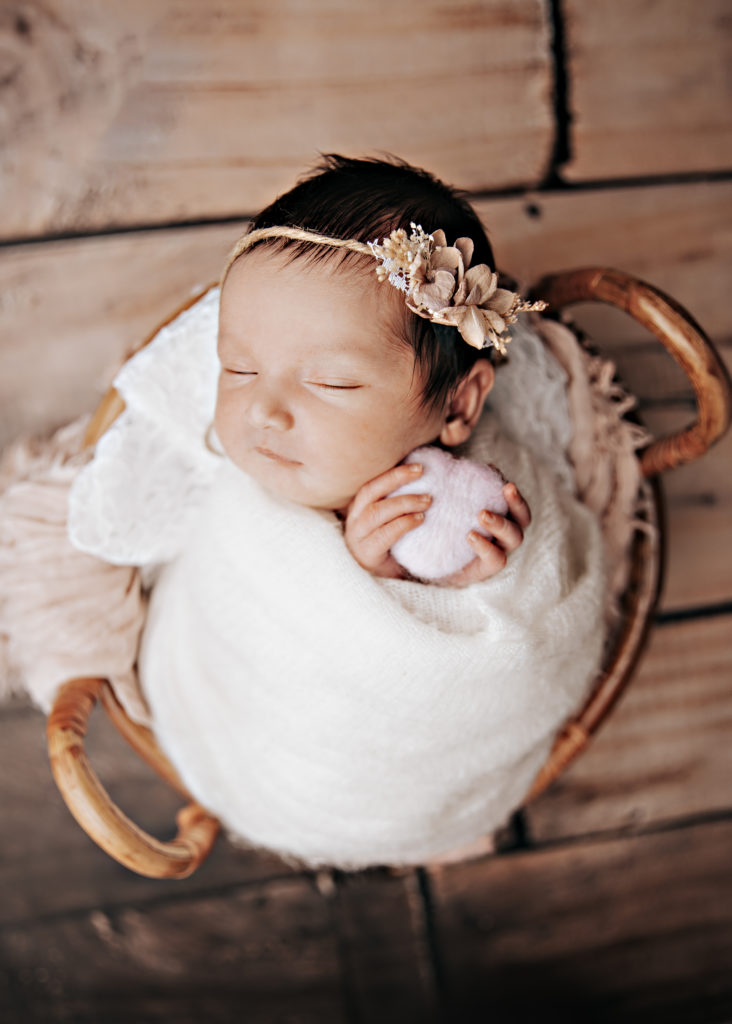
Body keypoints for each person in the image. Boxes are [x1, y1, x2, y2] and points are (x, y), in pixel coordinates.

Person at [214, 154, 538, 585]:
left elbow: (526, 611)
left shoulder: (470, 501)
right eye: (239, 370)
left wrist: (429, 578)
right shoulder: (221, 488)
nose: (262, 412)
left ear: (458, 403)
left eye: (331, 382)